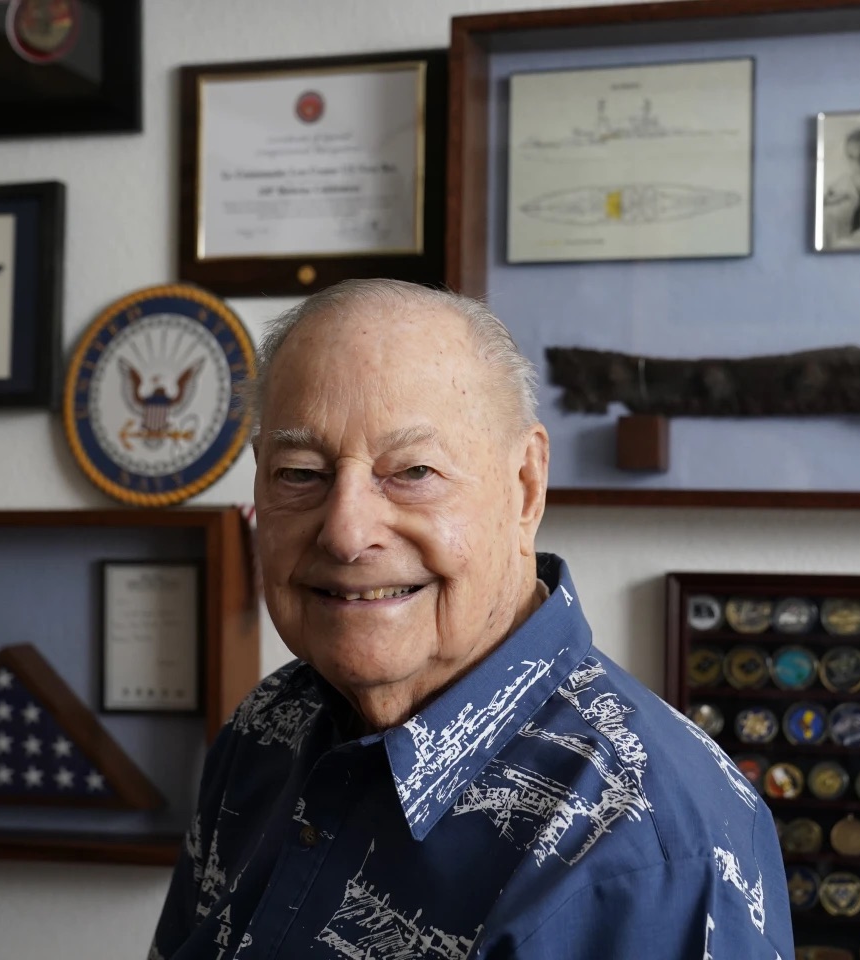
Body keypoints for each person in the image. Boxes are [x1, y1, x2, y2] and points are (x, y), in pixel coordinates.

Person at [148, 279, 794, 960]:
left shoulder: (653, 852)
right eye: (300, 473)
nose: (345, 532)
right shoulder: (265, 730)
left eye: (414, 471)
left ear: (526, 487)